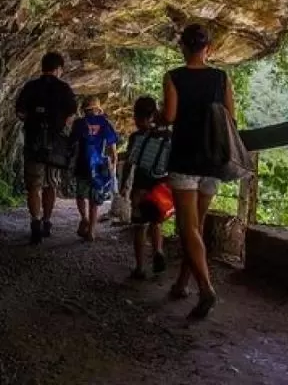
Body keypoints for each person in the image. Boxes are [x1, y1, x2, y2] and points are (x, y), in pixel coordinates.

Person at [161, 23, 233, 318]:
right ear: (208, 48)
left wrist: (156, 116)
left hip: (185, 157)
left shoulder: (173, 77)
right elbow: (230, 116)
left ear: (182, 48)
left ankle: (206, 289)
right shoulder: (221, 77)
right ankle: (181, 283)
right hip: (213, 160)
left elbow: (170, 116)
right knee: (197, 227)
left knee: (187, 227)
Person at [15, 52, 78, 245]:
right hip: (55, 144)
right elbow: (71, 113)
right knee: (51, 184)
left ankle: (35, 221)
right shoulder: (64, 88)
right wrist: (59, 126)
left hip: (33, 142)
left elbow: (20, 112)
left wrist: (33, 121)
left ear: (42, 67)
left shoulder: (30, 87)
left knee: (34, 185)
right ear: (59, 69)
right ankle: (47, 221)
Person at [121, 96, 172, 279]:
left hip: (141, 186)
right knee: (156, 222)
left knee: (140, 227)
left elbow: (129, 163)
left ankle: (140, 267)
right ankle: (158, 250)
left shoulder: (137, 137)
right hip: (160, 188)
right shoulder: (168, 136)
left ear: (137, 116)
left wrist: (123, 185)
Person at [70, 95, 119, 241]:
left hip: (82, 164)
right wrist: (113, 164)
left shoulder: (79, 123)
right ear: (98, 109)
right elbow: (112, 148)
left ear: (84, 109)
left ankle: (84, 218)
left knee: (80, 195)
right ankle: (91, 231)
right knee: (94, 198)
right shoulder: (105, 123)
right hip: (99, 166)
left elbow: (72, 143)